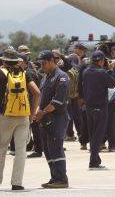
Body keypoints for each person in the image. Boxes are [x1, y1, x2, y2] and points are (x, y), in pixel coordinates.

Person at [0, 48, 40, 191]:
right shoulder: (25, 73)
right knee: (21, 150)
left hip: (5, 116)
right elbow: (37, 93)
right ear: (17, 61)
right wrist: (32, 114)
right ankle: (16, 183)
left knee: (1, 148)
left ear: (3, 61)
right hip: (23, 116)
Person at [36, 51, 70, 188]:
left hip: (57, 118)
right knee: (48, 149)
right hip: (45, 119)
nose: (42, 66)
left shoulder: (61, 77)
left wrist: (42, 112)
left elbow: (57, 101)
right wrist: (38, 111)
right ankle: (54, 177)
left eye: (44, 63)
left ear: (51, 61)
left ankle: (61, 179)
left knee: (56, 148)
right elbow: (42, 98)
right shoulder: (46, 77)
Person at [81, 50, 115, 170]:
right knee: (98, 134)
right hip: (100, 106)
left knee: (93, 134)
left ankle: (95, 159)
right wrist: (110, 70)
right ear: (101, 61)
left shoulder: (85, 72)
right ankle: (93, 161)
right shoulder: (102, 72)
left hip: (89, 107)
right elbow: (112, 84)